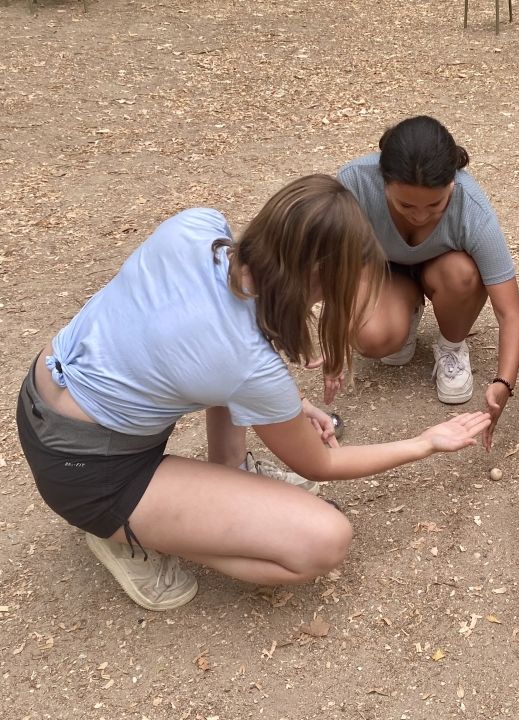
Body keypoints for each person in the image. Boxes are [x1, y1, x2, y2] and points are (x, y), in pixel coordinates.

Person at [16, 175, 491, 611]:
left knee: (235, 377)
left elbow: (182, 338)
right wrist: (427, 441)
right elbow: (320, 464)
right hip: (93, 476)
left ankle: (228, 475)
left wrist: (290, 404)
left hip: (41, 398)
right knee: (324, 539)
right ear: (321, 274)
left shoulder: (197, 227)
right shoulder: (247, 363)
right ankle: (127, 534)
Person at [335, 116, 519, 449]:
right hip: (384, 271)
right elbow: (334, 263)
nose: (420, 216)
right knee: (370, 338)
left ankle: (451, 346)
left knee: (463, 272)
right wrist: (337, 333)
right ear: (383, 181)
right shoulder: (354, 182)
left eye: (435, 205)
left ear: (453, 182)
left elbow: (510, 312)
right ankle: (402, 315)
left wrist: (503, 382)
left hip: (445, 273)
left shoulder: (473, 207)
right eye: (405, 204)